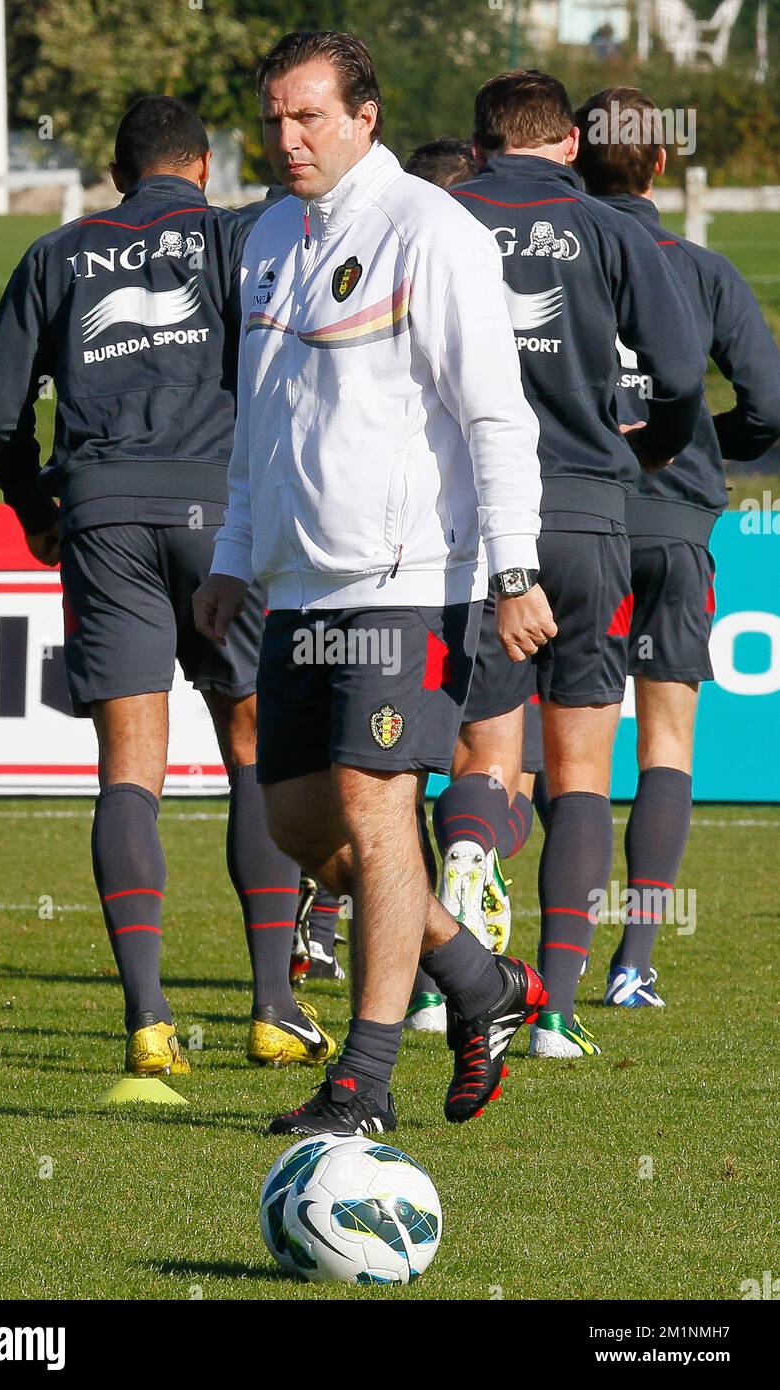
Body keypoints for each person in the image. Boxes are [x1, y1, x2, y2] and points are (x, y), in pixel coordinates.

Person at [195, 31, 554, 1136]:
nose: (286, 138)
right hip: (295, 587)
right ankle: (478, 978)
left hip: (413, 579)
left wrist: (511, 567)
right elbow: (260, 426)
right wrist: (225, 560)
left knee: (374, 802)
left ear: (364, 118)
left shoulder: (428, 231)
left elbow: (496, 414)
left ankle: (361, 1081)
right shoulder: (264, 237)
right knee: (306, 824)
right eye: (272, 119)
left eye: (307, 117)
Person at [0, 95, 336, 1078]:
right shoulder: (235, 237)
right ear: (202, 165)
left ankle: (147, 1023)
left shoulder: (56, 254)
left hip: (104, 515)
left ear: (114, 173)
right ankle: (271, 1008)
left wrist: (35, 510)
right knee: (253, 750)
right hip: (223, 518)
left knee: (129, 767)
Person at [447, 69, 705, 1058]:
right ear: (565, 145)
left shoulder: (434, 214)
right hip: (588, 511)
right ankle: (551, 1009)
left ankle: (453, 969)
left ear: (476, 146)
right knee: (583, 768)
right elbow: (677, 374)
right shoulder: (611, 228)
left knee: (484, 757)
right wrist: (650, 448)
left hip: (469, 519)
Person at [573, 86, 780, 1006]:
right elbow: (769, 408)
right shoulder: (700, 268)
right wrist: (702, 447)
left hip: (571, 527)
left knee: (546, 753)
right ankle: (634, 965)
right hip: (675, 530)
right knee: (666, 747)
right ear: (660, 163)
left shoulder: (551, 263)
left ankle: (532, 962)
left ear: (574, 155)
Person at [400, 132, 539, 1035]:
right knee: (500, 765)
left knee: (387, 784)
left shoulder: (388, 261)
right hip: (493, 553)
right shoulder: (480, 268)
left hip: (385, 569)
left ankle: (421, 976)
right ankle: (468, 854)